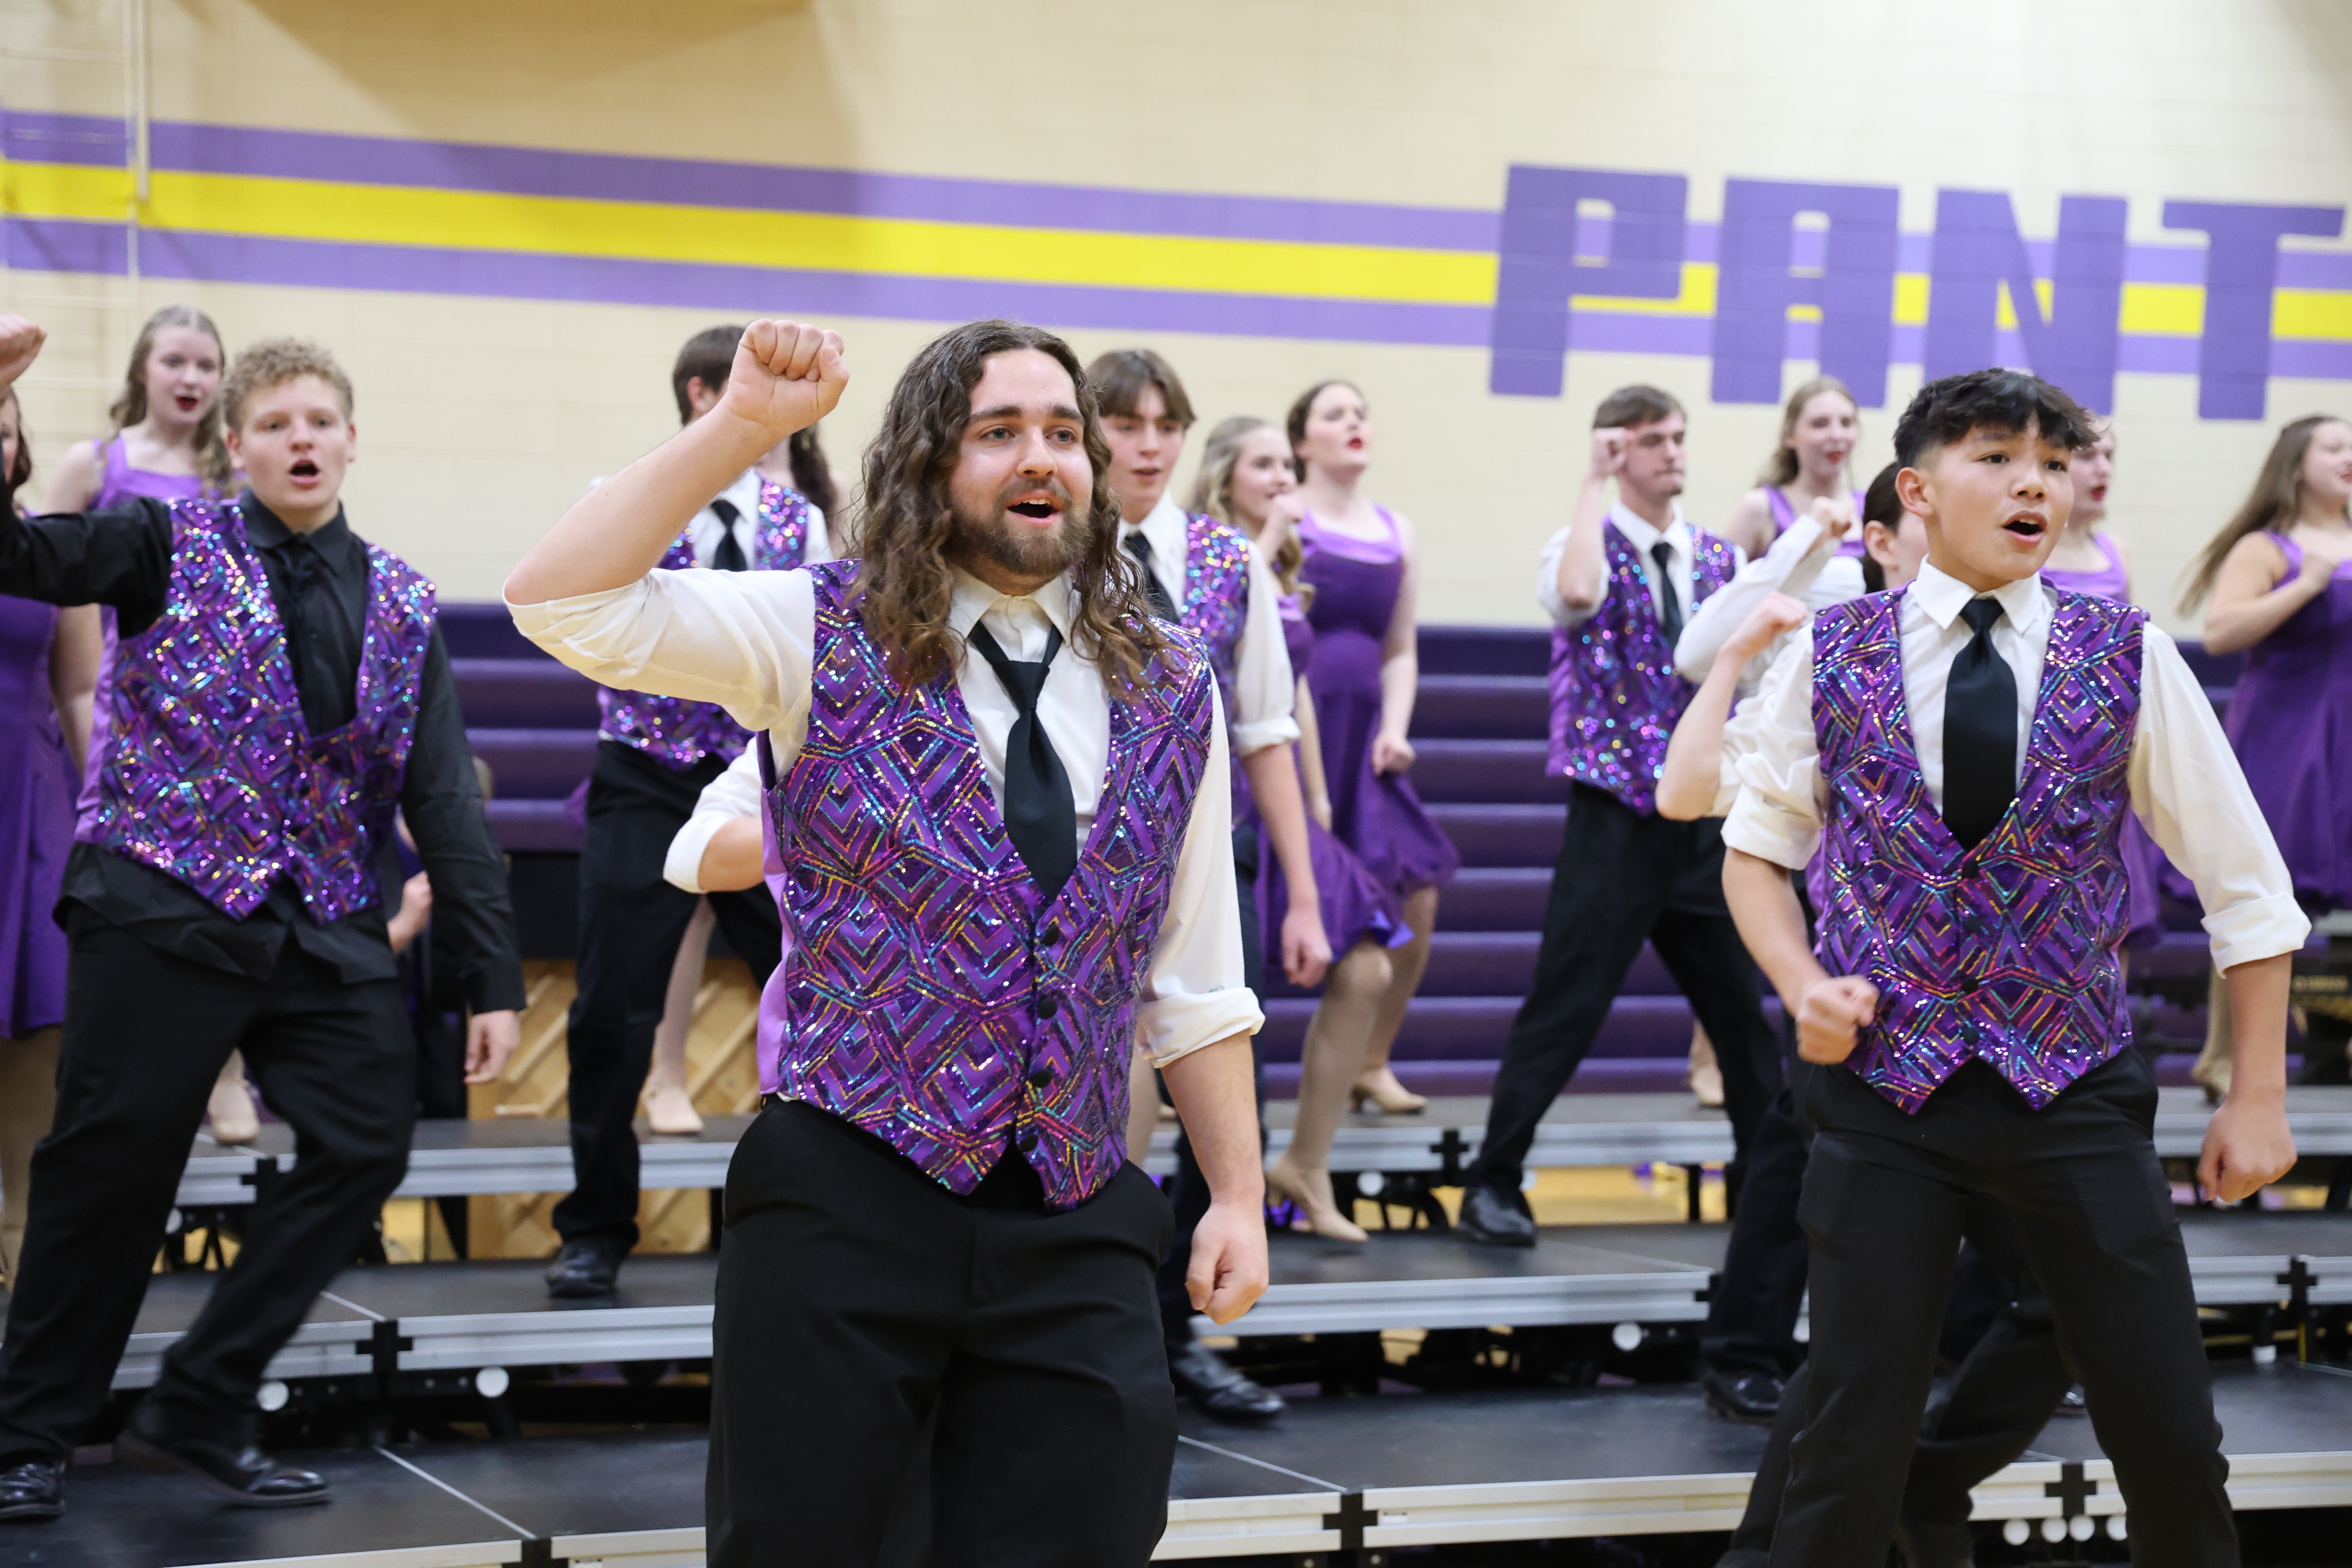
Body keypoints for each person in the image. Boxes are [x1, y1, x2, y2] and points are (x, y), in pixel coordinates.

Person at [506, 317, 1268, 1567]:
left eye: (1064, 433)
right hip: (844, 1193)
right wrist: (745, 427)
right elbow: (563, 597)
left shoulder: (1174, 680)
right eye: (999, 432)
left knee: (1089, 1528)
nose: (1043, 458)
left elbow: (1193, 974)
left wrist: (1233, 1191)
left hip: (1073, 1207)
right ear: (926, 462)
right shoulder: (817, 630)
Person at [1722, 367, 2303, 1566]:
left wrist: (2254, 1097)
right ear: (1917, 490)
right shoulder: (1829, 652)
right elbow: (1750, 853)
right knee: (1846, 1437)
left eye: (2049, 457)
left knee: (2167, 1433)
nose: (2032, 479)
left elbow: (2247, 893)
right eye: (1995, 455)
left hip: (2073, 1085)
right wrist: (1799, 987)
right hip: (1885, 1093)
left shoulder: (2126, 653)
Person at [0, 320, 525, 1521]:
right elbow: (18, 559)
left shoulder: (399, 596)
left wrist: (491, 974)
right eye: (275, 423)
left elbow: (440, 788)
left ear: (350, 444)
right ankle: (29, 1430)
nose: (300, 439)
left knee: (362, 1139)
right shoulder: (156, 539)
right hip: (160, 900)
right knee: (110, 1169)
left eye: (320, 422)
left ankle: (201, 1401)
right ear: (234, 444)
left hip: (320, 917)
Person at [546, 325, 831, 1300]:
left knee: (823, 986)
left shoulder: (805, 519)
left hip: (763, 777)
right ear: (705, 392)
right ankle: (594, 1226)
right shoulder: (628, 496)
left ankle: (820, 1211)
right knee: (608, 1005)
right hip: (643, 772)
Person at [1459, 385, 1779, 1247]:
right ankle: (1493, 1179)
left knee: (1744, 1020)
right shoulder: (1583, 543)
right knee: (1565, 1003)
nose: (1672, 451)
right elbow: (1573, 594)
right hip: (1614, 817)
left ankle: (1769, 1182)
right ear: (1615, 451)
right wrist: (1590, 484)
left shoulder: (1717, 558)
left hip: (1703, 823)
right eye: (1651, 440)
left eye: (1677, 436)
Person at [1085, 352, 1325, 1419]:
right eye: (1123, 424)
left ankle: (1179, 1335)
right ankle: (1098, 1335)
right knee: (1098, 1110)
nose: (1145, 445)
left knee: (1220, 1107)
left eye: (1162, 425)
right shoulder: (1054, 551)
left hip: (1205, 863)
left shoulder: (1228, 562)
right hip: (1081, 867)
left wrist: (1308, 895)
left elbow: (1267, 733)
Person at [43, 305, 261, 1146]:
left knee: (221, 895)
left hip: (207, 717)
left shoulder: (228, 480)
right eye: (176, 360)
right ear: (143, 369)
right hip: (106, 697)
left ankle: (229, 1071)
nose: (192, 379)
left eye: (207, 365)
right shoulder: (90, 464)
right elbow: (55, 585)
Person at [1192, 414, 1412, 1249]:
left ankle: (1307, 1162)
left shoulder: (1281, 561)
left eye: (1288, 465)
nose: (1283, 478)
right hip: (1215, 805)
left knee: (1365, 964)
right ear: (1226, 476)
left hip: (1280, 797)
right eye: (1264, 465)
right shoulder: (1206, 555)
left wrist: (1317, 805)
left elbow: (1294, 693)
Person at [1288, 379, 1458, 1116]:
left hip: (1366, 738)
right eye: (1335, 414)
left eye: (1361, 414)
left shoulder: (1398, 529)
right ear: (1302, 442)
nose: (1354, 423)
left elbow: (1400, 647)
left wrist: (1397, 726)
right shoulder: (1284, 515)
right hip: (1297, 726)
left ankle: (1372, 1058)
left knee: (1418, 889)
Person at [2178, 413, 2352, 1102]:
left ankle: (2329, 1046)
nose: (2349, 458)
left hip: (2345, 738)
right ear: (2296, 463)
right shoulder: (2269, 545)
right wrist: (2306, 584)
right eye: (2335, 447)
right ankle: (2225, 1056)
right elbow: (2220, 632)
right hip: (2287, 737)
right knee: (2257, 893)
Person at [0, 390, 101, 1284]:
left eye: (4, 431)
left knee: (38, 1067)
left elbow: (81, 692)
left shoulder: (44, 543)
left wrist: (94, 816)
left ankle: (25, 1335)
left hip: (28, 817)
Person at [1719, 376, 1866, 559]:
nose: (1837, 435)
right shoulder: (1761, 507)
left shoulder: (1872, 508)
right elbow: (1720, 583)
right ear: (1789, 436)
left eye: (1846, 423)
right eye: (1820, 424)